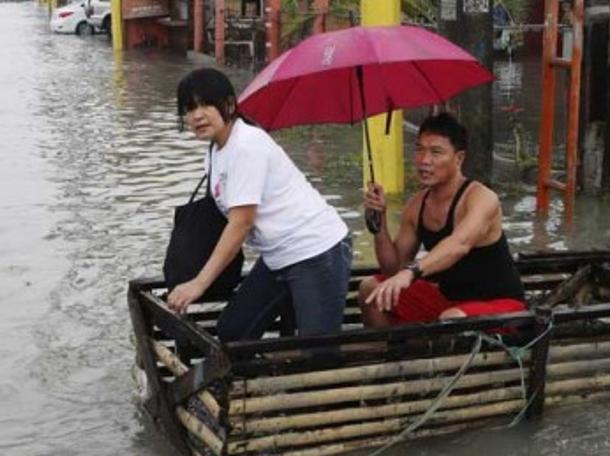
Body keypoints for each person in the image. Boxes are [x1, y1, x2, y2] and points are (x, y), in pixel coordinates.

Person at [167, 68, 352, 343]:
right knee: (233, 332)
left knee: (317, 351)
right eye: (190, 108)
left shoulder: (246, 145)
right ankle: (269, 377)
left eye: (206, 104)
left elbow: (241, 222)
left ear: (229, 104)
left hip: (315, 251)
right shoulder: (216, 150)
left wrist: (199, 283)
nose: (197, 115)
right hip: (277, 257)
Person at [358, 112, 526, 327]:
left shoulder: (481, 198)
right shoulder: (416, 205)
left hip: (501, 306)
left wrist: (411, 272)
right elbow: (393, 270)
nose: (424, 160)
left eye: (436, 152)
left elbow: (459, 245)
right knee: (370, 289)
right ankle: (386, 357)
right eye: (419, 150)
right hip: (447, 302)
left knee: (451, 319)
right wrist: (378, 223)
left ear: (459, 158)